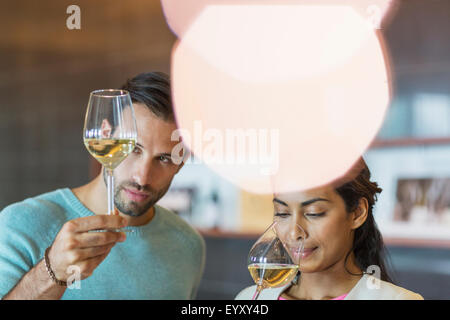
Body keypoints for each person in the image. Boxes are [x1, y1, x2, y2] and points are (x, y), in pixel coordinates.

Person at [0, 72, 205, 300]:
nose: (142, 177)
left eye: (164, 159)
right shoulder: (20, 225)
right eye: (132, 149)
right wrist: (51, 274)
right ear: (106, 134)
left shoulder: (188, 245)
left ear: (182, 162)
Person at [236, 158, 423, 300]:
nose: (294, 233)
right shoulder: (250, 297)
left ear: (357, 213)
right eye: (283, 213)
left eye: (314, 212)